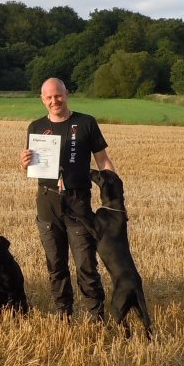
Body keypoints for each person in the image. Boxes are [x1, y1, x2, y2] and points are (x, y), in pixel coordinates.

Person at [19, 78, 115, 321]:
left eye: (58, 95)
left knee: (85, 263)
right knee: (55, 263)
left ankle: (96, 315)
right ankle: (64, 314)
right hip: (47, 201)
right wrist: (24, 164)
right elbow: (31, 167)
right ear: (42, 99)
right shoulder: (36, 127)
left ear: (67, 94)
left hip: (78, 200)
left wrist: (113, 190)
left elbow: (102, 159)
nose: (55, 101)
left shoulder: (86, 123)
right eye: (49, 97)